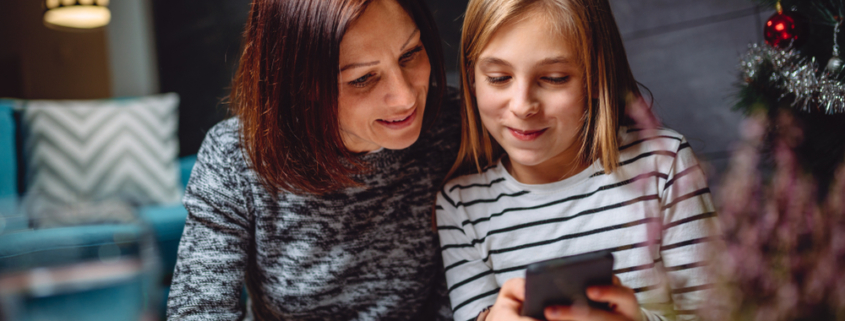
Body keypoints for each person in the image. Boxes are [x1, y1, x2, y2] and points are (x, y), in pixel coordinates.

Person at [166, 0, 460, 319]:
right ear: (300, 85)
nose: (405, 97)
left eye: (409, 54)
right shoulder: (236, 156)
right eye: (362, 78)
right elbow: (198, 311)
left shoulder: (455, 127)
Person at [434, 0, 716, 320]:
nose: (523, 106)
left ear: (596, 77)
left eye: (554, 78)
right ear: (472, 79)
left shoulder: (664, 166)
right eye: (499, 77)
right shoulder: (460, 206)